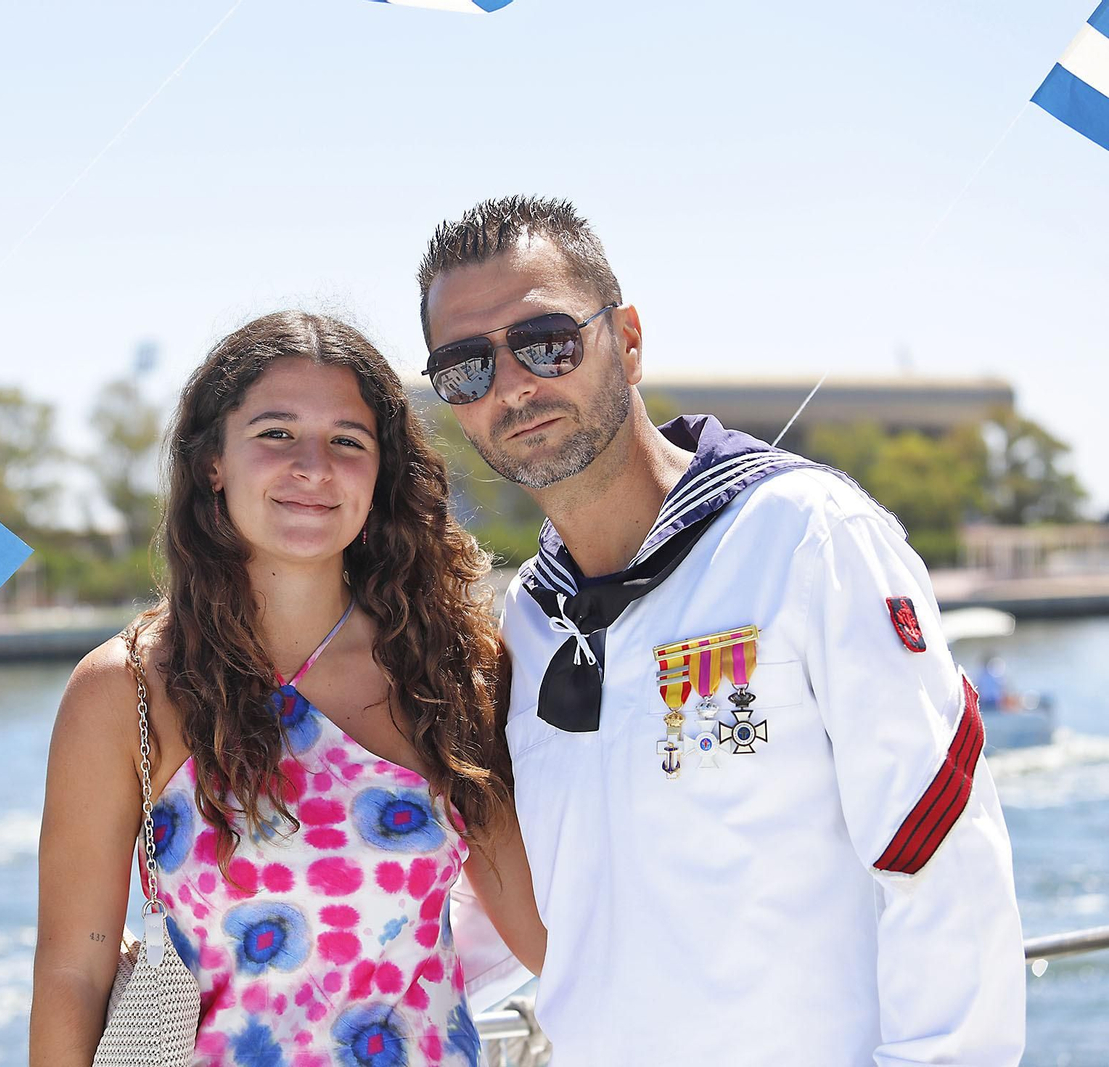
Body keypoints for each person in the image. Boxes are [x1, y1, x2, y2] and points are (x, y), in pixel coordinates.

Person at [415, 195, 1027, 1065]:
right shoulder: (527, 622)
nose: (512, 384)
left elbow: (942, 855)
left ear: (627, 339)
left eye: (545, 341)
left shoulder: (805, 536)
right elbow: (542, 911)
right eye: (466, 366)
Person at [30, 310, 544, 1066]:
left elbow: (547, 935)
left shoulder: (450, 669)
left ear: (382, 472)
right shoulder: (127, 687)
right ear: (213, 461)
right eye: (276, 433)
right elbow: (73, 972)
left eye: (348, 441)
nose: (313, 466)